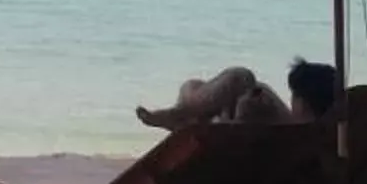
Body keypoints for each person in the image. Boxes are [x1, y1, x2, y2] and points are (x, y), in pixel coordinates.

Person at [137, 56, 339, 130]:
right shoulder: (328, 132)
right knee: (196, 86)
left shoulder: (295, 135)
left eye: (294, 96)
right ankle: (181, 115)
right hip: (254, 129)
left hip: (237, 137)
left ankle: (179, 114)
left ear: (302, 103)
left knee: (240, 77)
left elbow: (233, 148)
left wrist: (240, 118)